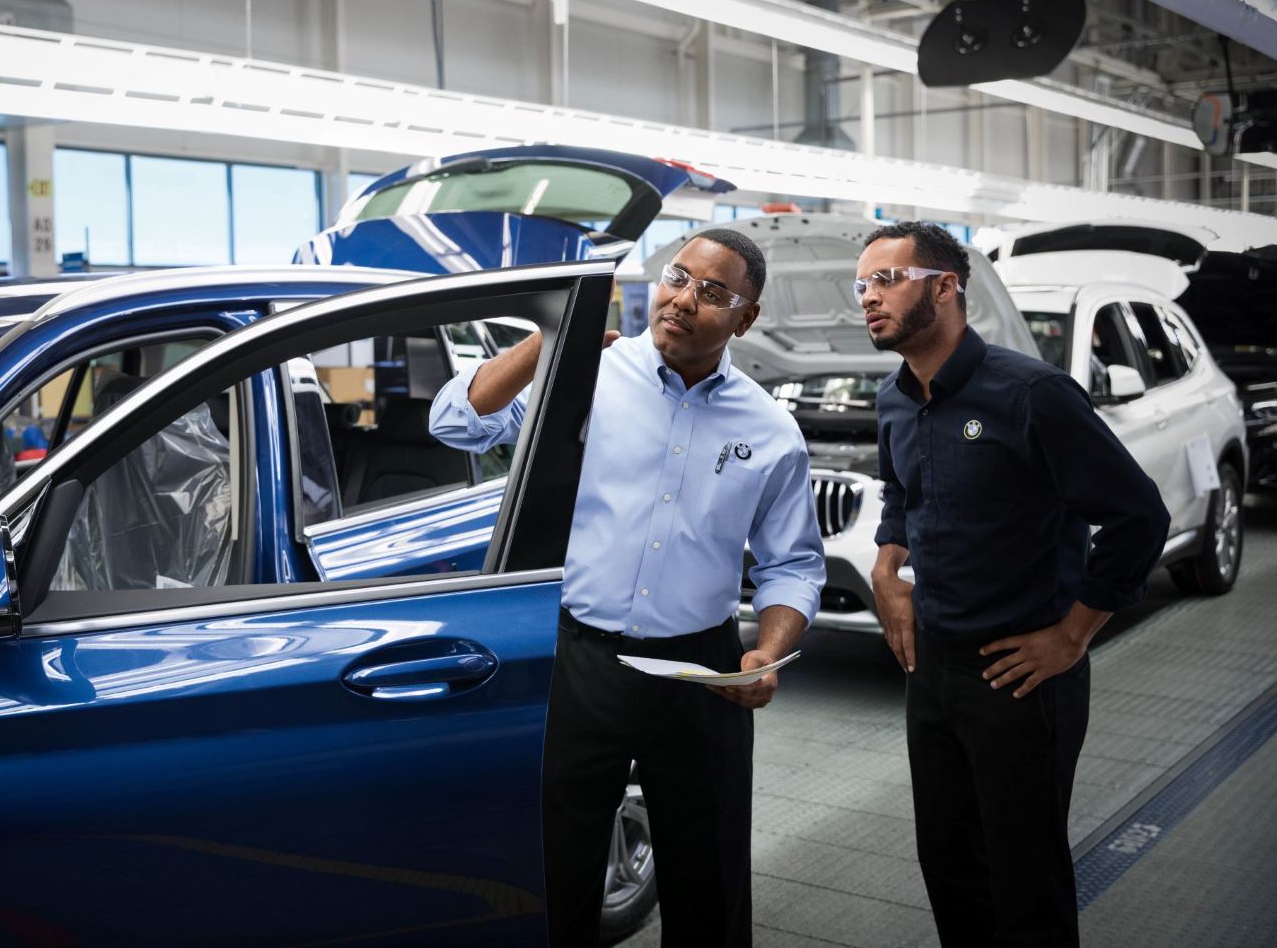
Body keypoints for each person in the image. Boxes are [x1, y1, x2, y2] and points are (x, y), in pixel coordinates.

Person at [429, 228, 825, 948]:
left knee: (709, 881)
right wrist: (553, 344)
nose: (683, 299)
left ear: (746, 316)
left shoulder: (769, 431)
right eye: (677, 277)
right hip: (581, 659)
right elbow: (457, 422)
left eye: (712, 292)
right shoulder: (585, 375)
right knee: (559, 870)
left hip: (702, 673)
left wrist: (766, 651)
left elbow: (792, 564)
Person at [857, 221, 1168, 948]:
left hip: (1022, 674)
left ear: (944, 288)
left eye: (887, 280)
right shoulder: (894, 398)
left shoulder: (1032, 395)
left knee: (1023, 877)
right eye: (862, 284)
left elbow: (1137, 516)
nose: (869, 298)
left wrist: (1072, 635)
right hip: (932, 668)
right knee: (949, 861)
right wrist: (886, 562)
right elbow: (900, 492)